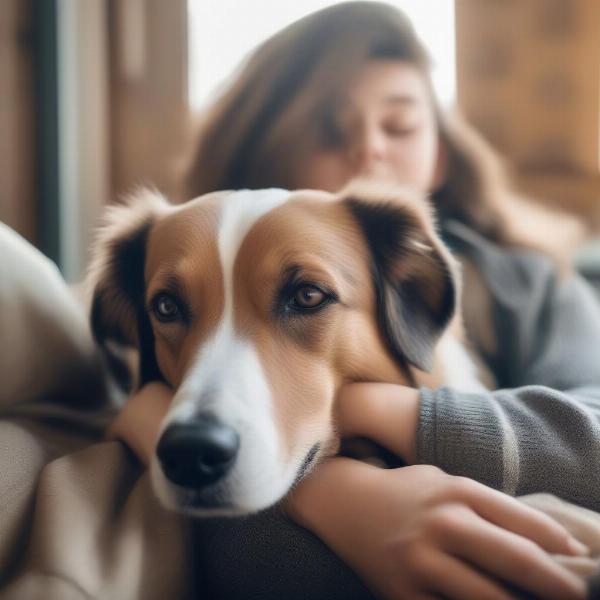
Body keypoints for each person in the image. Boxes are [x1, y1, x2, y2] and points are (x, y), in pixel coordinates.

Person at [107, 2, 600, 599]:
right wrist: (338, 497)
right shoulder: (169, 250)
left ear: (440, 151)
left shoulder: (531, 284)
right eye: (331, 129)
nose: (371, 150)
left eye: (400, 126)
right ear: (266, 143)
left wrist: (377, 411)